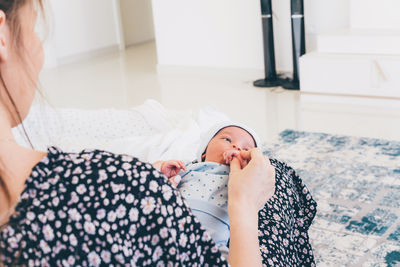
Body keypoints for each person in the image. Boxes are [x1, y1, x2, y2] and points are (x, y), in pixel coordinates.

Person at [0, 1, 276, 266]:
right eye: (35, 28)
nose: (39, 50)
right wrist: (244, 205)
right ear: (2, 34)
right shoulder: (119, 183)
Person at [154, 122, 317, 266]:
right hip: (170, 223)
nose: (237, 147)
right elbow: (151, 182)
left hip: (212, 238)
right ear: (203, 153)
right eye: (227, 140)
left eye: (246, 149)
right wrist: (162, 168)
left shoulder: (242, 178)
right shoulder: (189, 167)